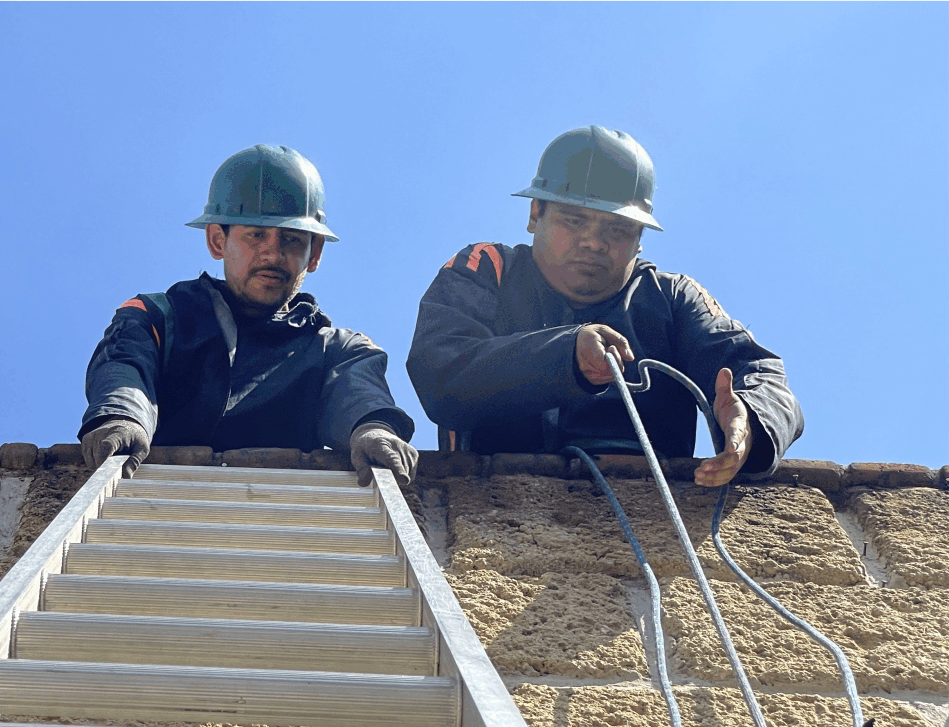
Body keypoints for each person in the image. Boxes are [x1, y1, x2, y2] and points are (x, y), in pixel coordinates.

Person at [407, 126, 802, 486]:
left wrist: (751, 419)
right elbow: (441, 373)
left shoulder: (673, 296)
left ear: (640, 238)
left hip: (653, 514)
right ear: (534, 214)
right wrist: (566, 356)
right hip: (491, 505)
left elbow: (760, 373)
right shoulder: (487, 268)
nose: (594, 242)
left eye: (618, 229)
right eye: (574, 220)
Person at [81, 144, 417, 486]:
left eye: (292, 239)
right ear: (216, 240)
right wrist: (122, 418)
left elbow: (357, 392)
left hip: (285, 517)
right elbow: (126, 367)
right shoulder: (157, 318)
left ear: (314, 255)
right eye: (256, 234)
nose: (273, 252)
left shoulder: (339, 350)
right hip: (156, 504)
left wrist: (373, 429)